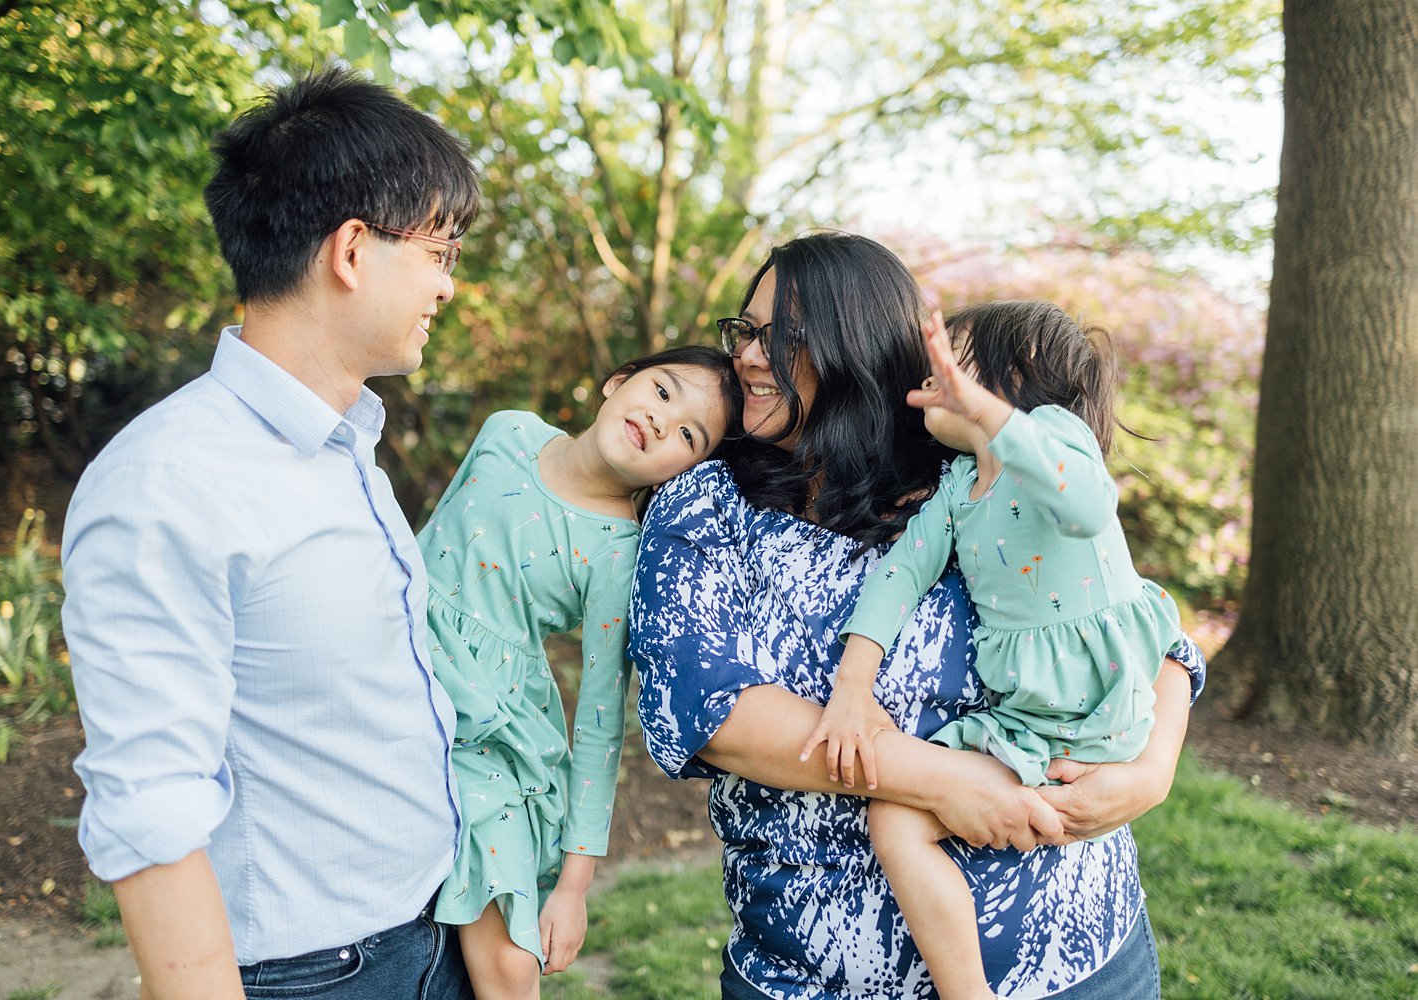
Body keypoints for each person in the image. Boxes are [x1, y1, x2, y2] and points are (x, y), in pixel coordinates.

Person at [628, 231, 1207, 1000]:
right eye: (749, 331)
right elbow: (708, 708)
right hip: (820, 976)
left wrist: (1151, 770)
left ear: (859, 346)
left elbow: (1136, 618)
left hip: (1084, 954)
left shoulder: (970, 469)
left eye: (784, 337)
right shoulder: (707, 504)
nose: (751, 356)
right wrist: (949, 783)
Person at [61, 66, 480, 999]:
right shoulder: (170, 482)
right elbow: (150, 807)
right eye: (442, 252)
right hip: (311, 978)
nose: (450, 285)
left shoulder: (346, 445)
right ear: (353, 250)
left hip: (428, 938)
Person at [801, 302, 1181, 1000]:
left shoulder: (1055, 440)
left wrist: (981, 409)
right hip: (1032, 715)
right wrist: (853, 684)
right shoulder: (954, 489)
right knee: (894, 821)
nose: (932, 377)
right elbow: (898, 576)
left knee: (1059, 810)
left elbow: (1089, 506)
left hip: (1102, 699)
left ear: (1012, 377)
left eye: (958, 360)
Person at [422, 346, 740, 1000]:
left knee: (511, 966)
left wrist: (574, 886)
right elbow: (427, 546)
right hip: (399, 663)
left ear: (686, 471)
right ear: (617, 380)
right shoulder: (506, 430)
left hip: (491, 735)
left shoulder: (620, 552)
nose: (661, 420)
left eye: (688, 434)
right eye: (661, 391)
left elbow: (599, 723)